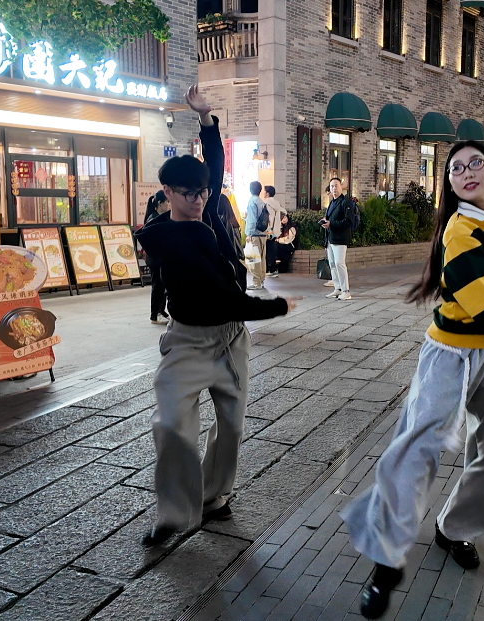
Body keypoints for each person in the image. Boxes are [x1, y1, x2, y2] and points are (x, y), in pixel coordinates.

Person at [340, 46, 484, 620]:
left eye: (473, 163)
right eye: (454, 169)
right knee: (420, 449)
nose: (465, 172)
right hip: (455, 355)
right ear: (450, 185)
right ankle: (386, 561)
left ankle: (455, 528)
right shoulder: (459, 236)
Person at [134, 85, 295, 547]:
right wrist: (278, 306)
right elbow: (219, 298)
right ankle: (173, 513)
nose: (199, 198)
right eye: (187, 193)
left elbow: (214, 166)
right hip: (188, 338)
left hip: (230, 339)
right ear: (167, 192)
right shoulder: (167, 239)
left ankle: (215, 497)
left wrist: (206, 120)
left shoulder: (205, 210)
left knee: (233, 425)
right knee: (170, 425)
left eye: (203, 191)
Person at [323, 178, 354, 301]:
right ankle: (337, 288)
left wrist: (331, 224)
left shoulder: (345, 202)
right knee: (332, 264)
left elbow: (348, 221)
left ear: (341, 187)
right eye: (331, 186)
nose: (334, 188)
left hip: (340, 238)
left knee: (340, 263)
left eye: (336, 185)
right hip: (330, 238)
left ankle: (346, 290)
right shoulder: (332, 202)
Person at [144, 190, 170, 325]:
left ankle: (162, 310)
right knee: (157, 286)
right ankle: (154, 314)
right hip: (155, 258)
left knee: (162, 284)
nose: (169, 205)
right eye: (167, 202)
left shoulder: (160, 217)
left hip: (161, 257)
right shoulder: (153, 218)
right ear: (160, 203)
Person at [244, 180, 268, 290]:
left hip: (254, 234)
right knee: (262, 258)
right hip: (263, 234)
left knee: (253, 259)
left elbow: (252, 220)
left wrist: (249, 233)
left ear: (250, 190)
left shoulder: (252, 202)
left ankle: (256, 282)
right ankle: (261, 280)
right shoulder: (261, 202)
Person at [268, 212, 297, 276]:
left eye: (284, 217)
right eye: (281, 218)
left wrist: (279, 240)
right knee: (273, 246)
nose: (283, 220)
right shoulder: (281, 228)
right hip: (282, 246)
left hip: (289, 245)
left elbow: (288, 239)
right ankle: (275, 264)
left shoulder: (291, 227)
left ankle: (274, 265)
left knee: (276, 245)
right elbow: (276, 235)